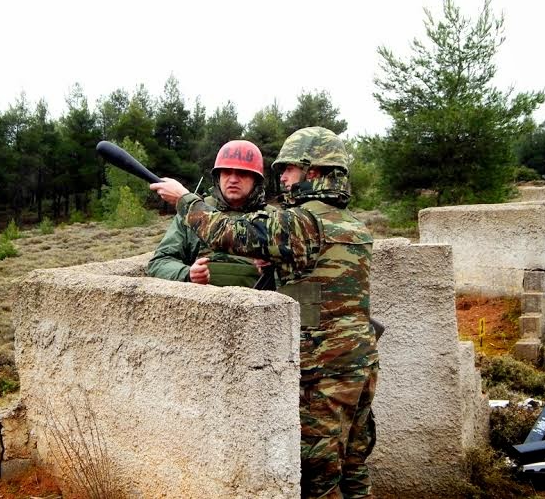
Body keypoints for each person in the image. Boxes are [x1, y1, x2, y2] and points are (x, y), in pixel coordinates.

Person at [150, 126, 378, 498]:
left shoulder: (303, 222)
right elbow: (315, 285)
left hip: (322, 372)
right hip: (361, 363)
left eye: (289, 169)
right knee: (354, 469)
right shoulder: (352, 224)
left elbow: (227, 230)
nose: (283, 177)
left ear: (315, 172)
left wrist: (184, 200)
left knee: (319, 478)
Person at [147, 139, 272, 288]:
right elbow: (159, 262)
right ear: (218, 177)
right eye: (226, 172)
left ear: (256, 180)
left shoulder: (274, 219)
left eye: (242, 173)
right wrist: (187, 274)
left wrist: (275, 268)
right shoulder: (192, 213)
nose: (232, 180)